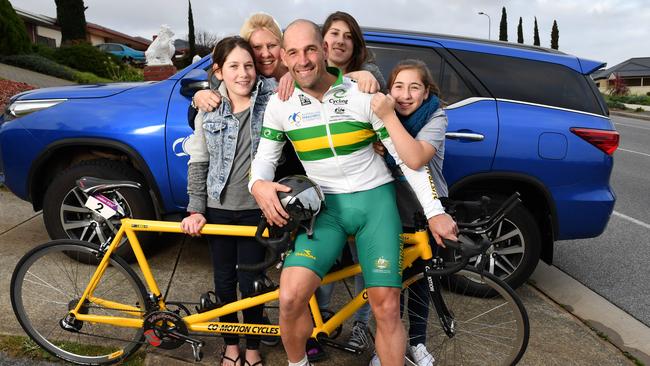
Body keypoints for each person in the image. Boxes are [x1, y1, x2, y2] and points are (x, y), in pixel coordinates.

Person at [248, 20, 458, 366]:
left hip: (375, 202)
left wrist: (435, 211)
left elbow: (408, 163)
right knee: (289, 297)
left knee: (387, 304)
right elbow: (263, 162)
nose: (303, 60)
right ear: (284, 58)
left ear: (324, 50)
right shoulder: (280, 104)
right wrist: (259, 186)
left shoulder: (363, 93)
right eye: (294, 53)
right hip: (326, 210)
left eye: (311, 49)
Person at [180, 36, 276, 366]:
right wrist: (195, 208)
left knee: (252, 283)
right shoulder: (209, 108)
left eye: (249, 65)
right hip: (218, 208)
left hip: (254, 210)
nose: (243, 73)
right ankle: (231, 345)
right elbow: (199, 160)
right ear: (219, 71)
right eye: (234, 66)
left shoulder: (270, 101)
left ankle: (252, 348)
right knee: (223, 279)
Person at [368, 59, 449, 366]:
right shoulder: (379, 117)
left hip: (424, 210)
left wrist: (387, 123)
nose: (404, 94)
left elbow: (415, 157)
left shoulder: (435, 118)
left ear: (426, 92)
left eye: (414, 87)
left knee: (420, 280)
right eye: (398, 86)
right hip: (389, 207)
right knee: (390, 283)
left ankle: (417, 342)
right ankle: (386, 347)